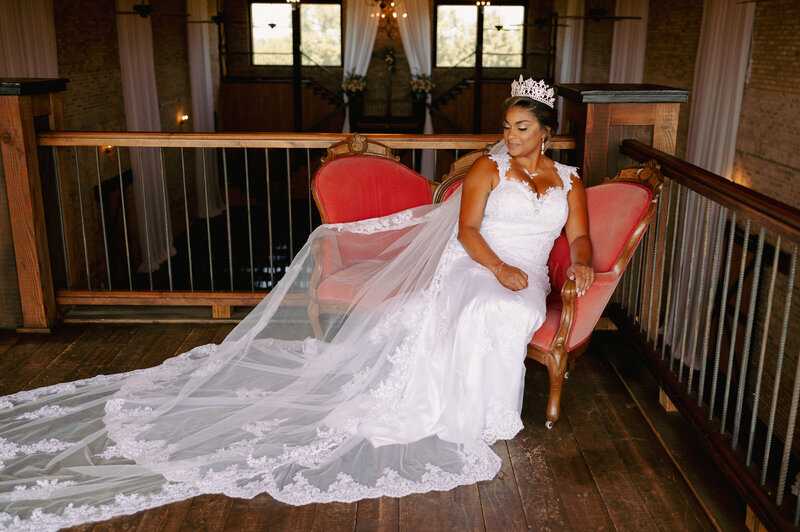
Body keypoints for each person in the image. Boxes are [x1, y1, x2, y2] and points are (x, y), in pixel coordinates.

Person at [0, 77, 593, 531]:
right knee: (479, 305)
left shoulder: (568, 180)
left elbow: (580, 237)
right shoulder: (488, 170)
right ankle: (458, 414)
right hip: (479, 264)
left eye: (519, 128)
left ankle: (484, 411)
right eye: (507, 126)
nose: (508, 135)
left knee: (508, 313)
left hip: (529, 276)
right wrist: (497, 267)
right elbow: (466, 232)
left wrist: (585, 259)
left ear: (545, 132)